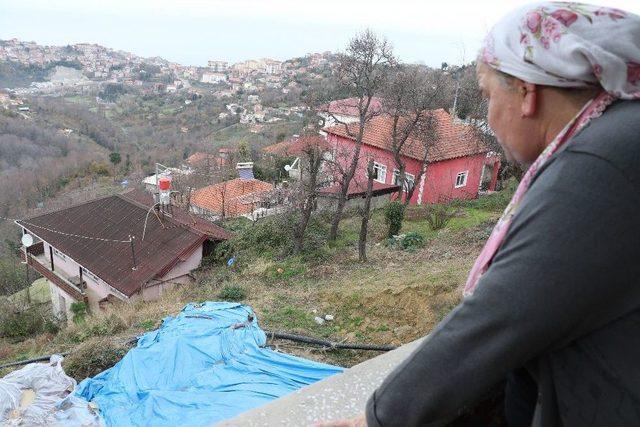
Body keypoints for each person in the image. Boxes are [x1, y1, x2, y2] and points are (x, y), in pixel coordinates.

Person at [316, 2, 640, 426]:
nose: (487, 115)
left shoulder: (603, 161)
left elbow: (502, 314)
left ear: (527, 92)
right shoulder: (620, 136)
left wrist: (379, 419)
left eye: (488, 96)